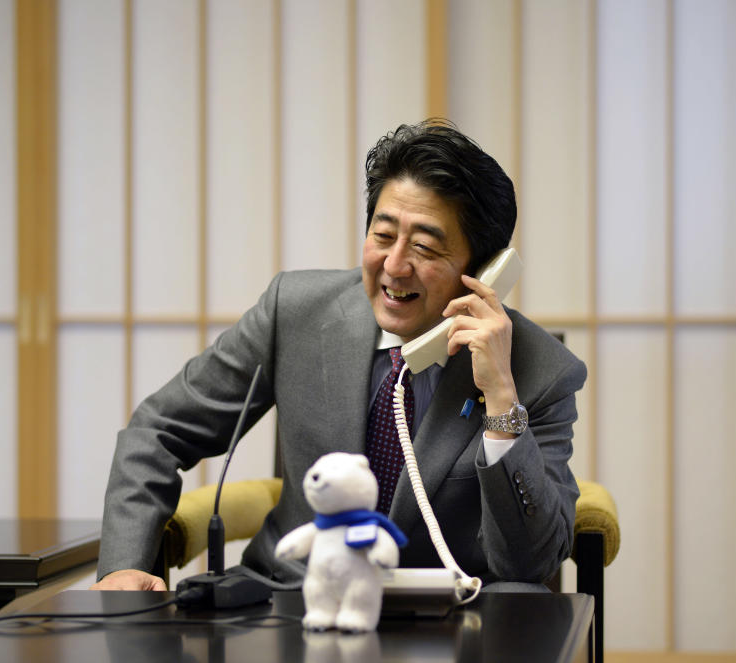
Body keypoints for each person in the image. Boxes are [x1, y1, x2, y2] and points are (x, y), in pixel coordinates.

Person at [91, 119, 587, 592]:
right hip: (291, 601)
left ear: (483, 270)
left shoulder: (539, 372)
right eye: (383, 234)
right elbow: (157, 431)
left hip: (454, 616)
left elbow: (530, 562)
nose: (395, 266)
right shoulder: (295, 312)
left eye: (425, 248)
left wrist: (501, 398)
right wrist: (124, 565)